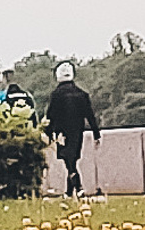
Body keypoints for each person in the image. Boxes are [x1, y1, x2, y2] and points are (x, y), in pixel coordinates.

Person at [43, 64, 102, 196]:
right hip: (77, 131)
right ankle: (69, 191)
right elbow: (90, 115)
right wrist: (96, 133)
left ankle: (78, 186)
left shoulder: (56, 95)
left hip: (61, 133)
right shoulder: (81, 94)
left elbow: (50, 115)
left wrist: (48, 132)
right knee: (72, 158)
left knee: (68, 160)